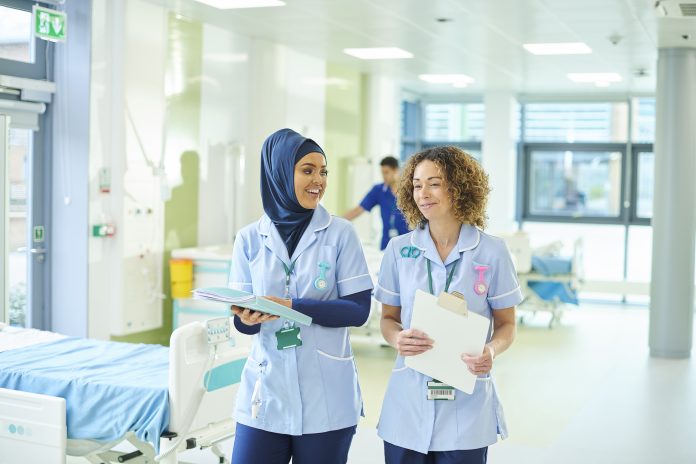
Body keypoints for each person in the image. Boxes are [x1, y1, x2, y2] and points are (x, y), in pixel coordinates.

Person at [228, 128, 374, 464]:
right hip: (265, 393)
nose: (318, 181)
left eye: (323, 172)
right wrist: (247, 318)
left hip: (326, 397)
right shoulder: (249, 238)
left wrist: (291, 307)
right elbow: (244, 325)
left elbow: (358, 310)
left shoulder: (340, 234)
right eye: (307, 170)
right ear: (278, 172)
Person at [374, 146, 522, 464]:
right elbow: (388, 318)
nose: (423, 193)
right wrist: (396, 338)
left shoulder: (492, 251)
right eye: (416, 184)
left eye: (434, 183)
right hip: (408, 404)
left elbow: (507, 324)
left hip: (466, 407)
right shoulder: (399, 250)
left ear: (458, 187)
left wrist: (491, 351)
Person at [344, 156, 409, 250]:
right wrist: (337, 222)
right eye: (382, 173)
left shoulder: (410, 190)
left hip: (408, 244)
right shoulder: (378, 190)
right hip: (387, 244)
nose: (384, 176)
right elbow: (358, 210)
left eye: (386, 172)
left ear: (396, 171)